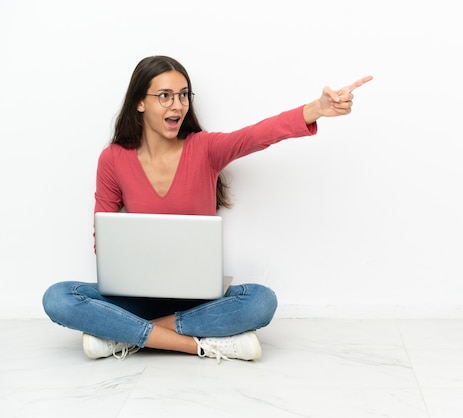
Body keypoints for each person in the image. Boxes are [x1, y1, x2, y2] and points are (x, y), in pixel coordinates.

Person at [42, 55, 372, 362]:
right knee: (58, 297)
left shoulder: (205, 148)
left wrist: (317, 107)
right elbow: (105, 238)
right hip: (136, 297)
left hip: (198, 299)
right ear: (140, 103)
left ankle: (124, 334)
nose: (178, 104)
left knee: (261, 301)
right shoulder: (113, 158)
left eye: (184, 95)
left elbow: (257, 135)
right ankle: (198, 344)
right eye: (165, 96)